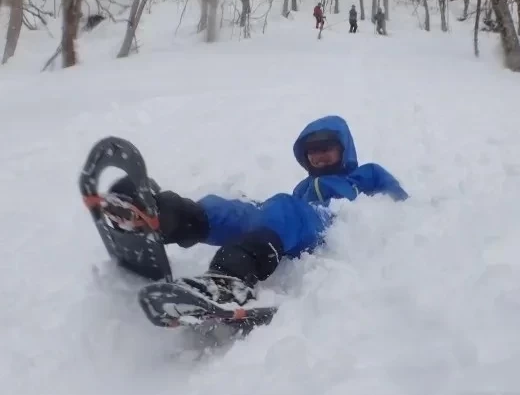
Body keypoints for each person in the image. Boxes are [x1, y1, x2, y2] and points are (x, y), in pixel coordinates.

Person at [107, 116, 408, 306]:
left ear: (345, 148)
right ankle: (163, 216)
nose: (319, 156)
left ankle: (231, 279)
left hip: (333, 227)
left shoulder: (364, 174)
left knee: (282, 208)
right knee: (237, 210)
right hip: (293, 225)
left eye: (327, 148)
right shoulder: (303, 188)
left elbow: (403, 206)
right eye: (312, 152)